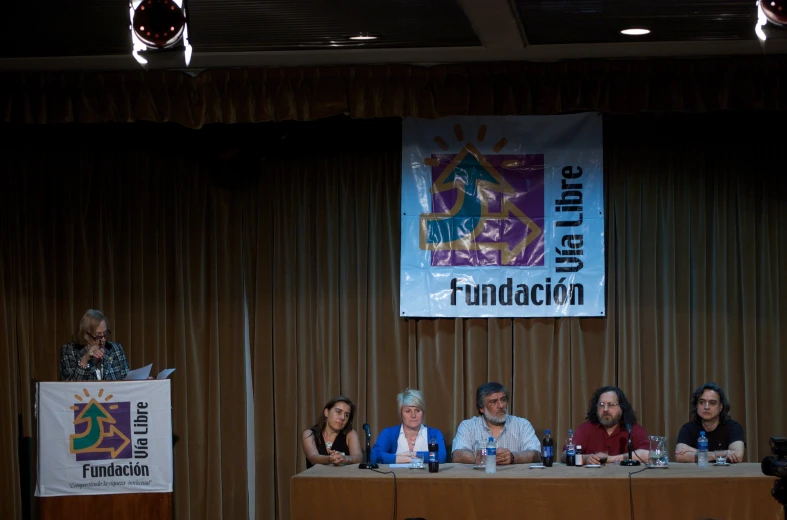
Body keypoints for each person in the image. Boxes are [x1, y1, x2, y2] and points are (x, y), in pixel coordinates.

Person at [451, 382, 541, 465]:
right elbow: (457, 455)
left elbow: (536, 454)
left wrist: (513, 457)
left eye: (503, 400)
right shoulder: (468, 426)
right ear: (481, 408)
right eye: (494, 402)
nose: (501, 406)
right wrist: (486, 457)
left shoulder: (522, 425)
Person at [562, 385, 649, 465]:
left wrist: (610, 459)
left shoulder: (632, 428)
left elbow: (647, 454)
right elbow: (564, 455)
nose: (605, 409)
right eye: (602, 405)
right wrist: (585, 458)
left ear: (622, 408)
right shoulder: (586, 429)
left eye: (611, 405)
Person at [371, 388, 447, 464]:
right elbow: (374, 456)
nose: (413, 415)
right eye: (408, 411)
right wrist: (408, 459)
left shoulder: (435, 434)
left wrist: (411, 454)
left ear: (423, 412)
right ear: (401, 413)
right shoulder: (389, 433)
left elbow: (441, 457)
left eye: (417, 410)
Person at [675, 382, 745, 463]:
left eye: (712, 403)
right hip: (697, 474)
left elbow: (737, 456)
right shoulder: (688, 429)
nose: (706, 407)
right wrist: (718, 454)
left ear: (721, 407)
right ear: (697, 405)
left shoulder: (734, 427)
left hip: (725, 474)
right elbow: (679, 456)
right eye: (702, 402)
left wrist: (693, 451)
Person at [60, 309, 129, 381]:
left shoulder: (116, 349)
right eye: (98, 335)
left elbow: (126, 382)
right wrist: (85, 359)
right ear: (86, 335)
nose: (103, 339)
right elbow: (71, 387)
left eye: (105, 334)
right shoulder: (70, 352)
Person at [301, 396, 363, 468]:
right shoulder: (309, 434)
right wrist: (331, 458)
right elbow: (313, 458)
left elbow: (359, 458)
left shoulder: (350, 434)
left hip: (343, 478)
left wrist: (345, 458)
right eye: (338, 412)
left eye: (346, 415)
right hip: (315, 478)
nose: (343, 418)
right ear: (326, 412)